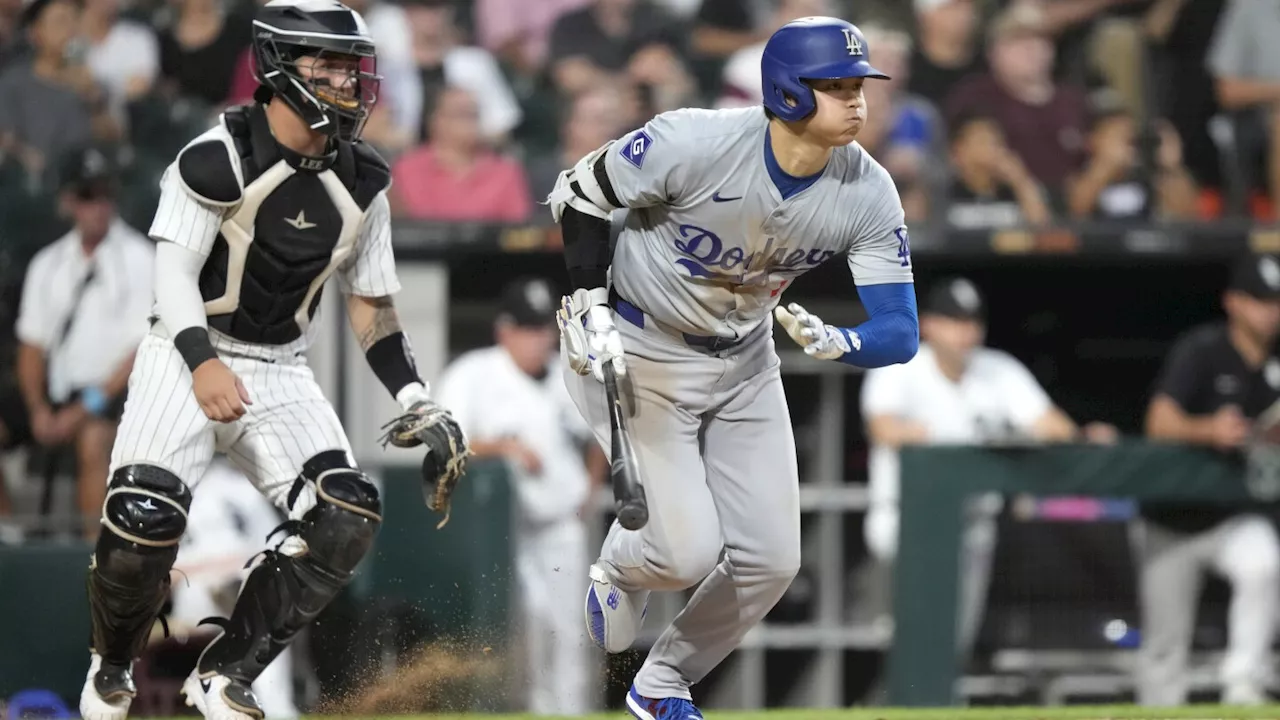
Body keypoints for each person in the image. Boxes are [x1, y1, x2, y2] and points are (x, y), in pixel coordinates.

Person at [77, 2, 470, 720]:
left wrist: (416, 397)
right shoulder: (213, 156)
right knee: (142, 518)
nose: (349, 81)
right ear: (279, 68)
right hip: (184, 348)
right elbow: (172, 279)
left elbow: (372, 309)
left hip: (279, 364)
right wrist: (201, 364)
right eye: (329, 65)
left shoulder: (365, 182)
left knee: (348, 512)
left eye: (351, 65)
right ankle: (109, 665)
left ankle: (225, 674)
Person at [545, 17, 919, 718]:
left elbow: (900, 332)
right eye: (834, 87)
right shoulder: (697, 139)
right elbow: (579, 190)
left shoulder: (868, 189)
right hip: (638, 346)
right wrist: (587, 293)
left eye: (859, 86)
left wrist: (847, 341)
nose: (857, 101)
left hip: (745, 361)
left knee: (772, 561)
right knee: (684, 555)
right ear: (786, 93)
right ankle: (622, 567)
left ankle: (660, 684)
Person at [861, 277, 1116, 659]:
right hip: (906, 522)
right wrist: (920, 436)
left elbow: (1047, 423)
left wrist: (1079, 435)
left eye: (971, 322)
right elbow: (882, 426)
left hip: (972, 524)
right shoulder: (900, 364)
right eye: (954, 321)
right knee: (911, 642)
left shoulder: (997, 369)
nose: (965, 332)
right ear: (928, 324)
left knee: (955, 644)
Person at [433, 277, 606, 716]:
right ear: (504, 330)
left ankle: (569, 712)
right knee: (525, 622)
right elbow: (444, 440)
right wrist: (502, 447)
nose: (540, 338)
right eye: (529, 328)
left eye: (543, 328)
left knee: (570, 628)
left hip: (561, 521)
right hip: (498, 531)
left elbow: (601, 436)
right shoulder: (474, 373)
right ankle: (529, 708)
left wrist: (591, 489)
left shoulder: (569, 376)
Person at [1138, 253, 1280, 706]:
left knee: (1263, 563)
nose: (1270, 310)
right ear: (1233, 302)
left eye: (1276, 300)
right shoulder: (1202, 350)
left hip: (1234, 514)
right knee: (1165, 646)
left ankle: (1242, 685)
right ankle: (1161, 709)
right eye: (1259, 300)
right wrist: (1208, 429)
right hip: (1171, 519)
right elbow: (1158, 422)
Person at [15, 145, 154, 541]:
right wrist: (38, 408)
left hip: (111, 395)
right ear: (69, 202)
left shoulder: (139, 258)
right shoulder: (48, 263)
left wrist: (80, 410)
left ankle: (96, 558)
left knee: (93, 439)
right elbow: (31, 346)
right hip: (57, 395)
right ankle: (9, 540)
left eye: (105, 194)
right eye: (88, 196)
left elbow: (136, 353)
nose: (99, 206)